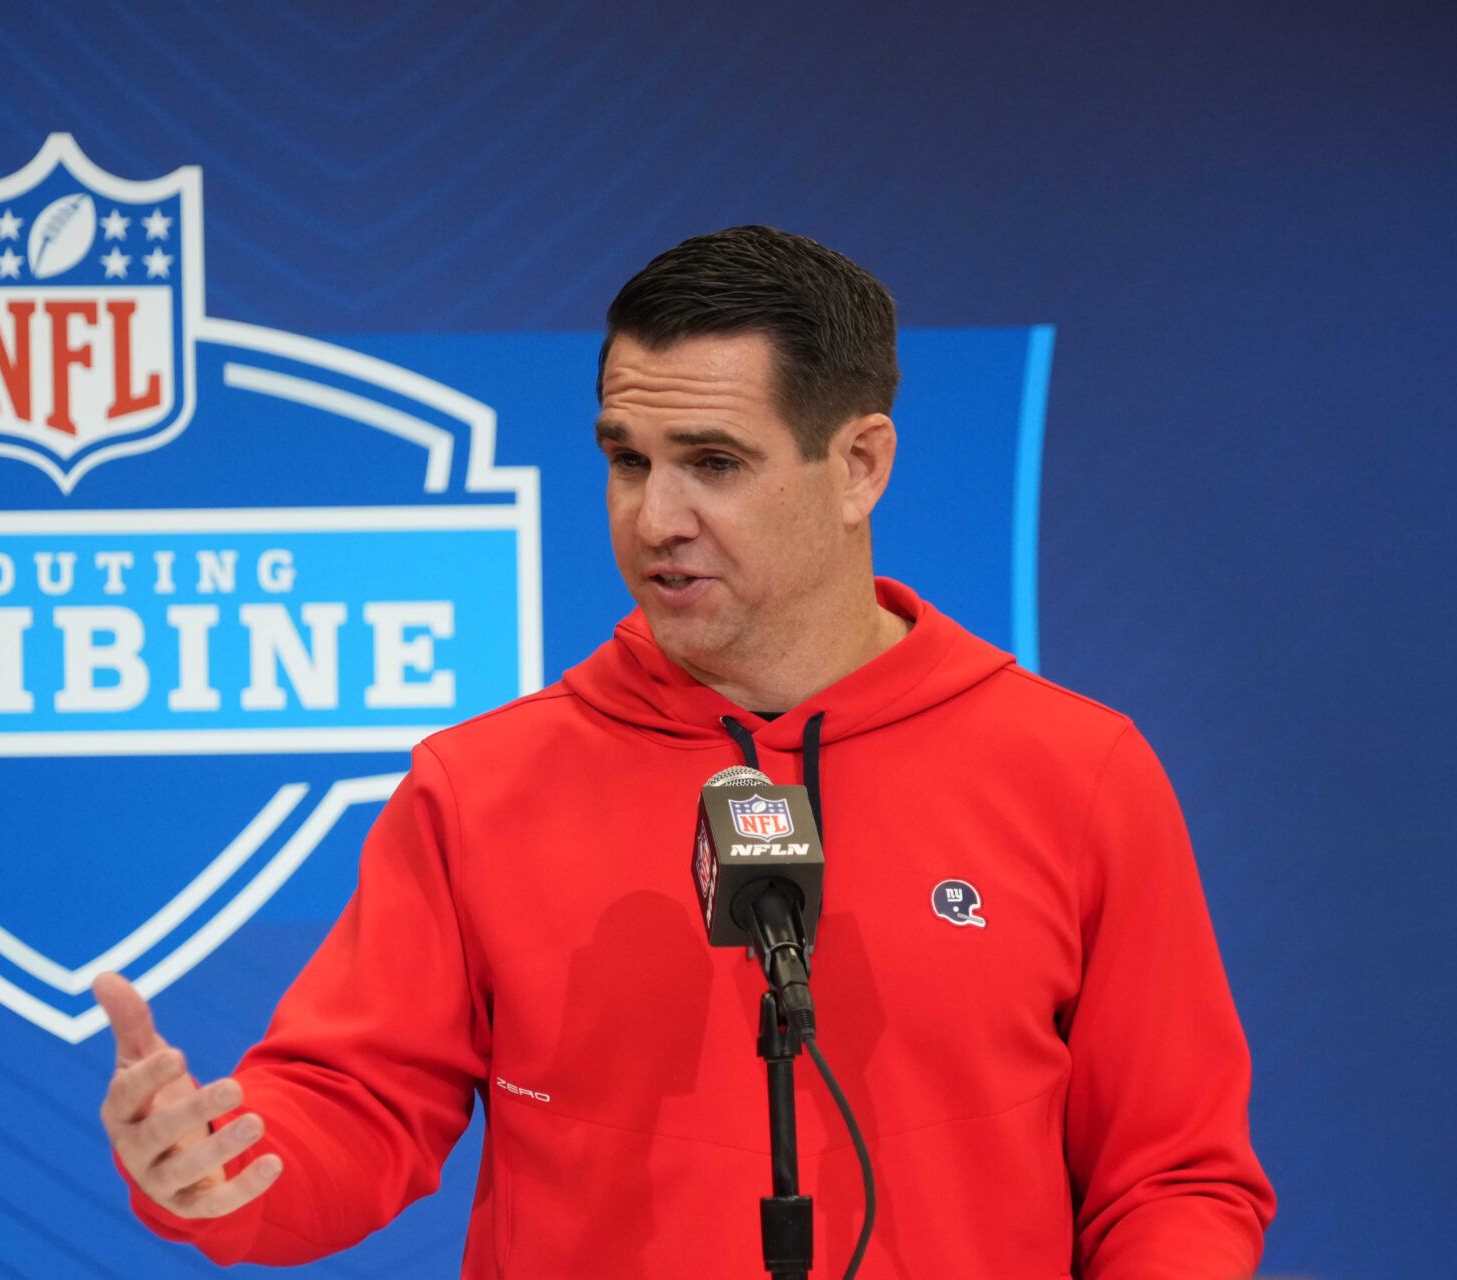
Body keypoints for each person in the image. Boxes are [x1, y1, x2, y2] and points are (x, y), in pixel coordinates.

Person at [96, 226, 1275, 1276]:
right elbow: (352, 1108)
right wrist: (219, 1173)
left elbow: (1174, 1178)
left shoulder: (1076, 772)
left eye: (713, 462)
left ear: (859, 464)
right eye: (627, 458)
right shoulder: (482, 787)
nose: (654, 516)